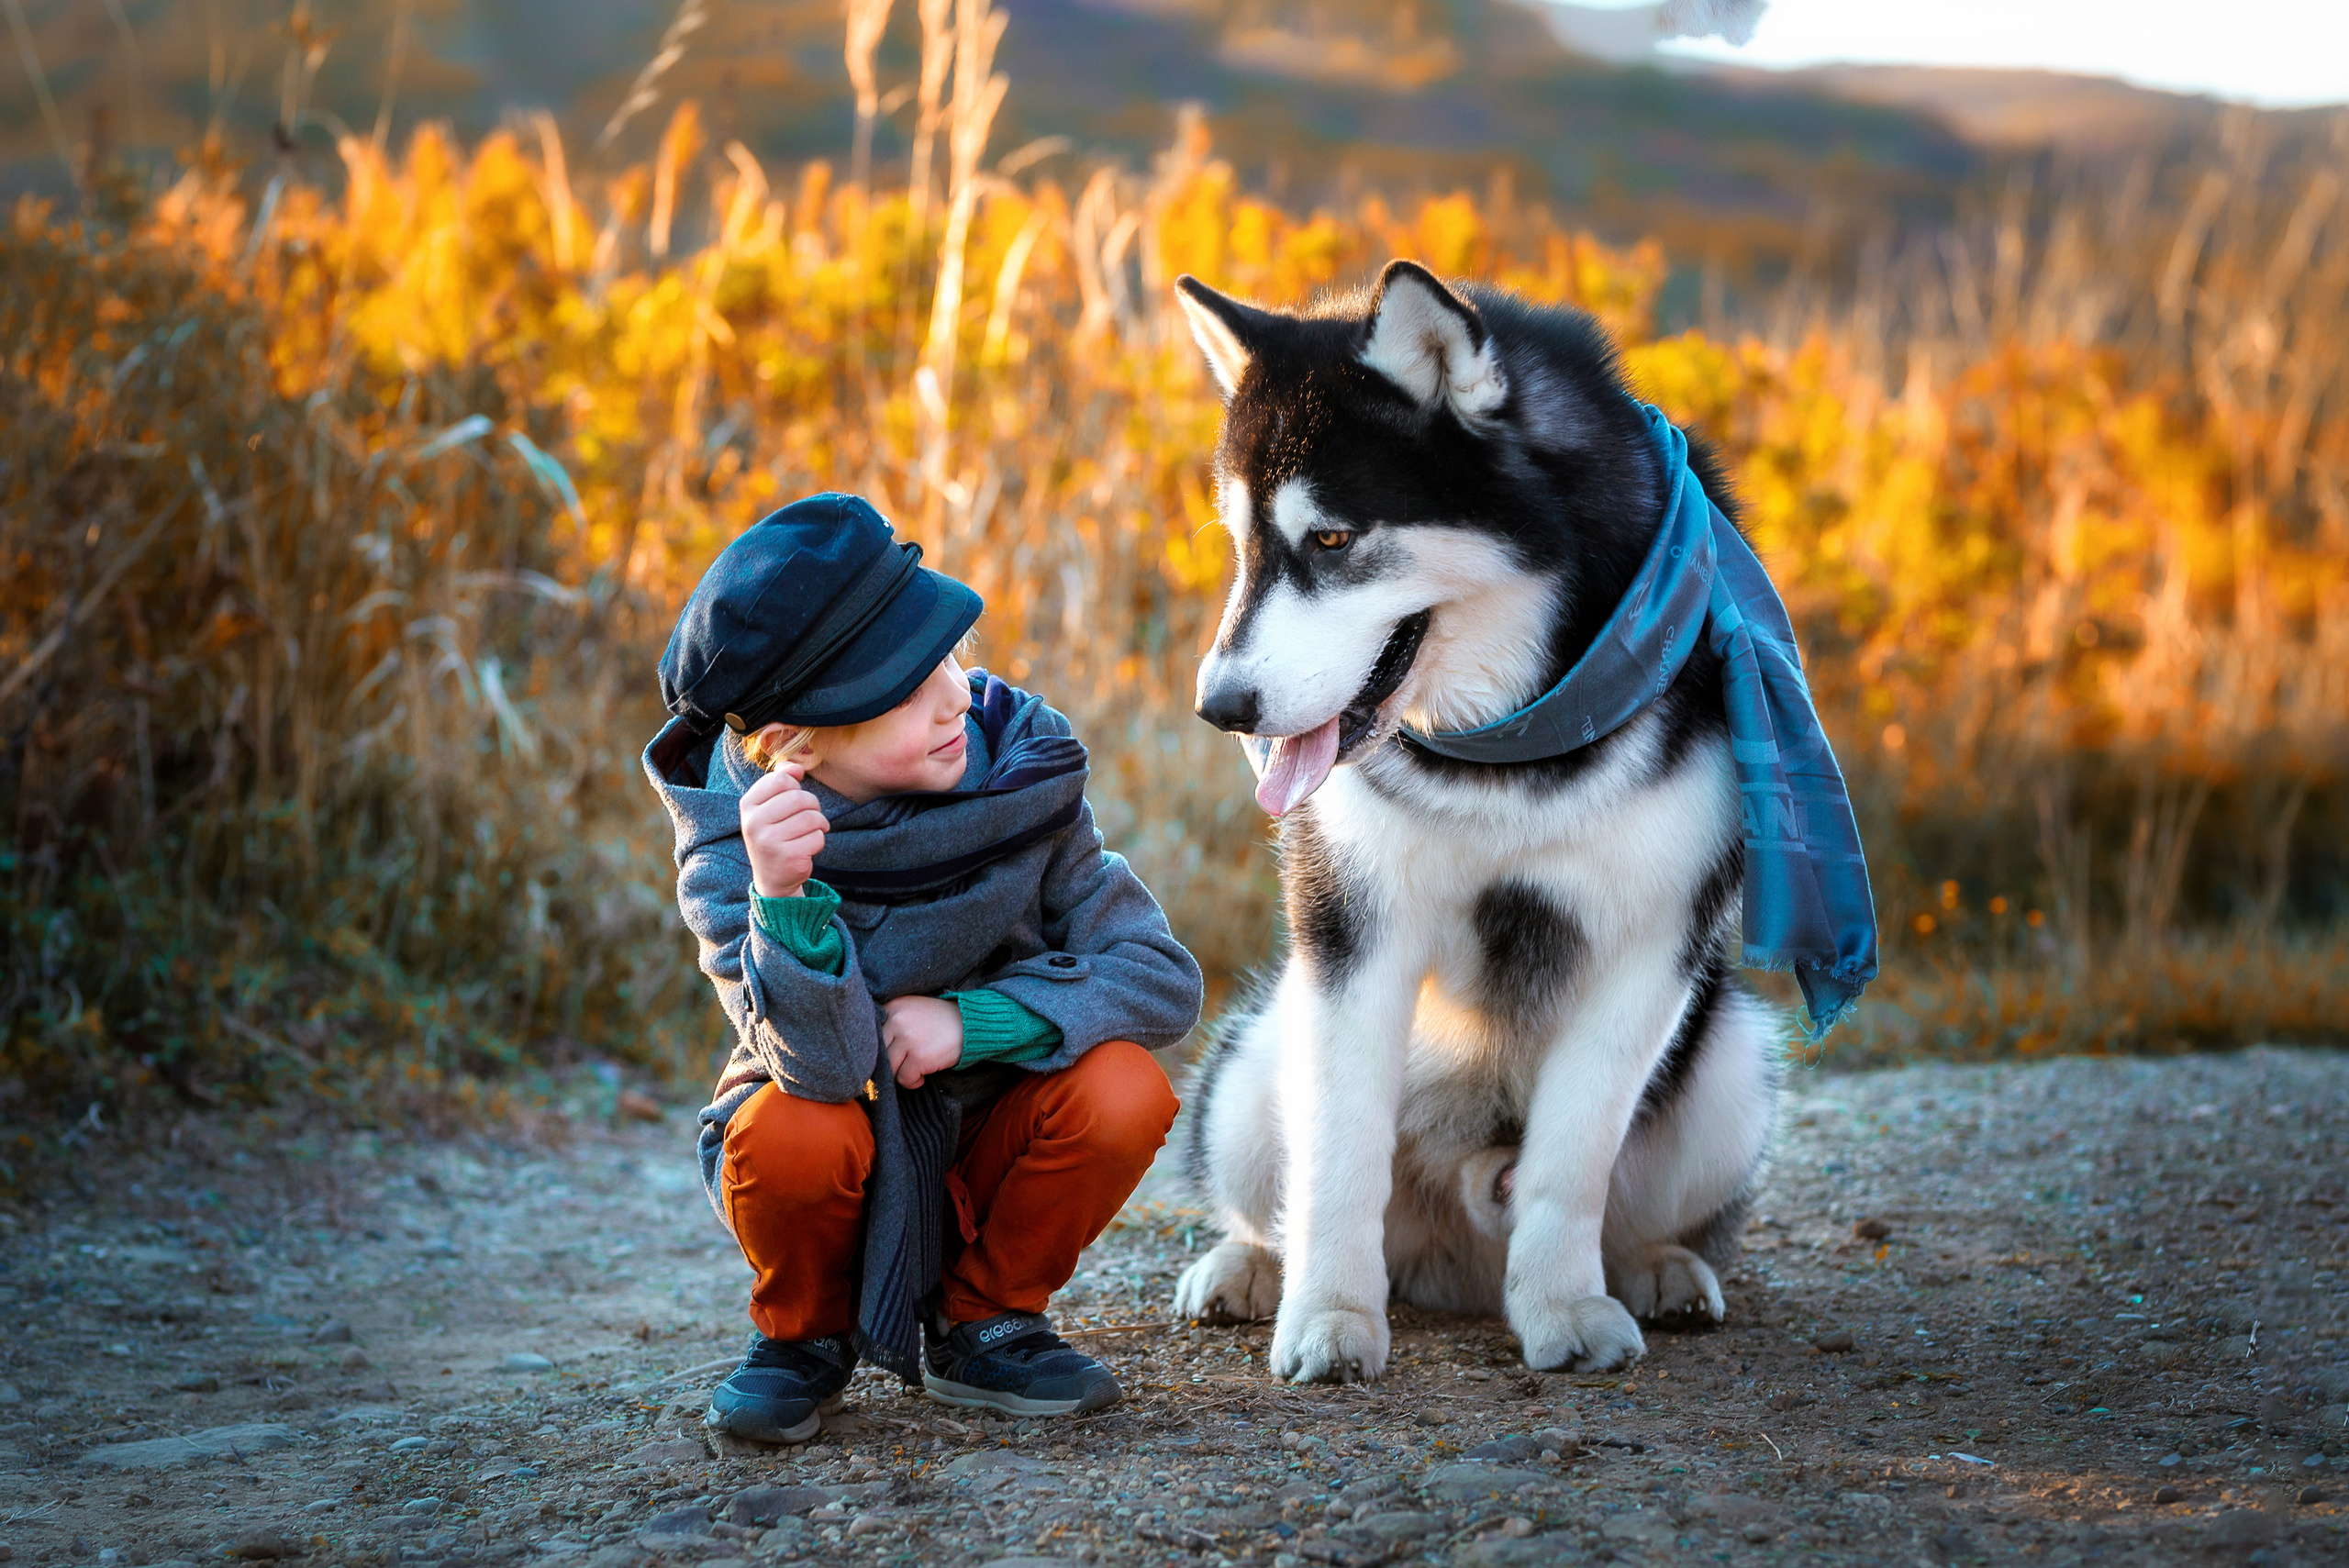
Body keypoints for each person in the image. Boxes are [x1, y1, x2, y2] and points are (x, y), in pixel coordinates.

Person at [641, 493, 1203, 1445]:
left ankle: (987, 1320)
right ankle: (803, 1335)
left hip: (995, 1143)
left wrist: (974, 1021)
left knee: (1122, 1086)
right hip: (839, 1151)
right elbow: (823, 1067)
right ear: (798, 744)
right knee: (789, 1129)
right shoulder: (735, 850)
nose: (954, 695)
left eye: (949, 656)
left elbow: (1159, 976)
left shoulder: (1023, 777)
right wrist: (785, 897)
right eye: (906, 688)